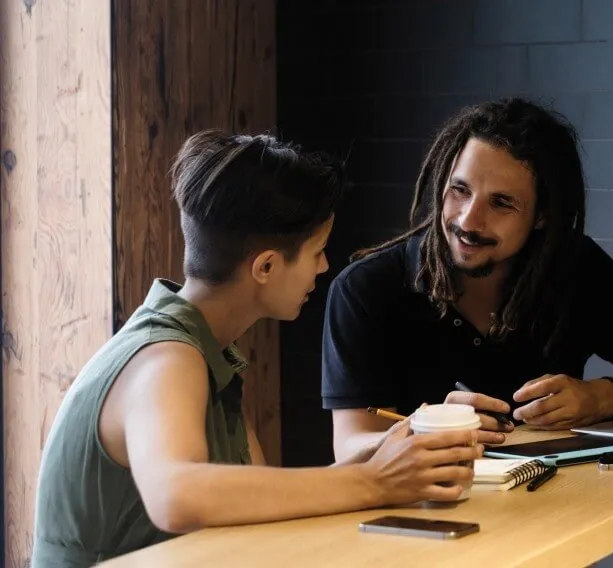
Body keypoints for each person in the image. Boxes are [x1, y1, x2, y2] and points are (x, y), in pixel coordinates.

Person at [32, 130, 481, 567]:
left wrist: (403, 442)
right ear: (266, 266)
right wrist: (374, 482)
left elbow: (259, 508)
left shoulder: (210, 353)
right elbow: (176, 495)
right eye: (317, 252)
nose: (324, 267)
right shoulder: (166, 357)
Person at [322, 98, 613, 463]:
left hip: (559, 507)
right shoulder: (364, 290)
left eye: (501, 203)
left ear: (543, 216)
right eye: (460, 190)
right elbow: (350, 449)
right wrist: (425, 429)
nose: (468, 221)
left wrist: (600, 398)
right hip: (421, 513)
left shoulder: (572, 264)